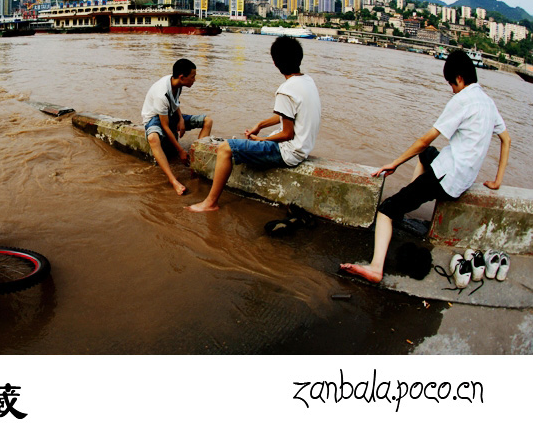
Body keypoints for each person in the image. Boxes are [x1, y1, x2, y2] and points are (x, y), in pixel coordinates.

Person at [340, 49, 511, 283]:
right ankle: (406, 202)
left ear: (459, 79)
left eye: (451, 84)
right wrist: (498, 181)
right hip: (463, 178)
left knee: (386, 209)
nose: (451, 88)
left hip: (446, 179)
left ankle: (375, 267)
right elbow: (506, 139)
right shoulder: (488, 103)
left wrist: (395, 163)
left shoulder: (461, 100)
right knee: (427, 155)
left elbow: (424, 140)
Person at [187, 35, 321, 212]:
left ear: (275, 63)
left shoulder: (286, 90)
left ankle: (210, 203)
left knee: (225, 148)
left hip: (289, 153)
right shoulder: (307, 81)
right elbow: (289, 116)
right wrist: (260, 125)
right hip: (303, 148)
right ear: (300, 58)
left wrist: (262, 141)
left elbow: (287, 134)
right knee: (253, 142)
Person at [141, 58, 213, 195]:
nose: (194, 80)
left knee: (207, 121)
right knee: (153, 139)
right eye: (193, 77)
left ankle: (195, 163)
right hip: (155, 118)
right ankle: (173, 181)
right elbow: (165, 126)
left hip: (171, 114)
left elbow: (175, 103)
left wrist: (180, 119)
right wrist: (180, 150)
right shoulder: (162, 95)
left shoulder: (176, 84)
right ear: (182, 77)